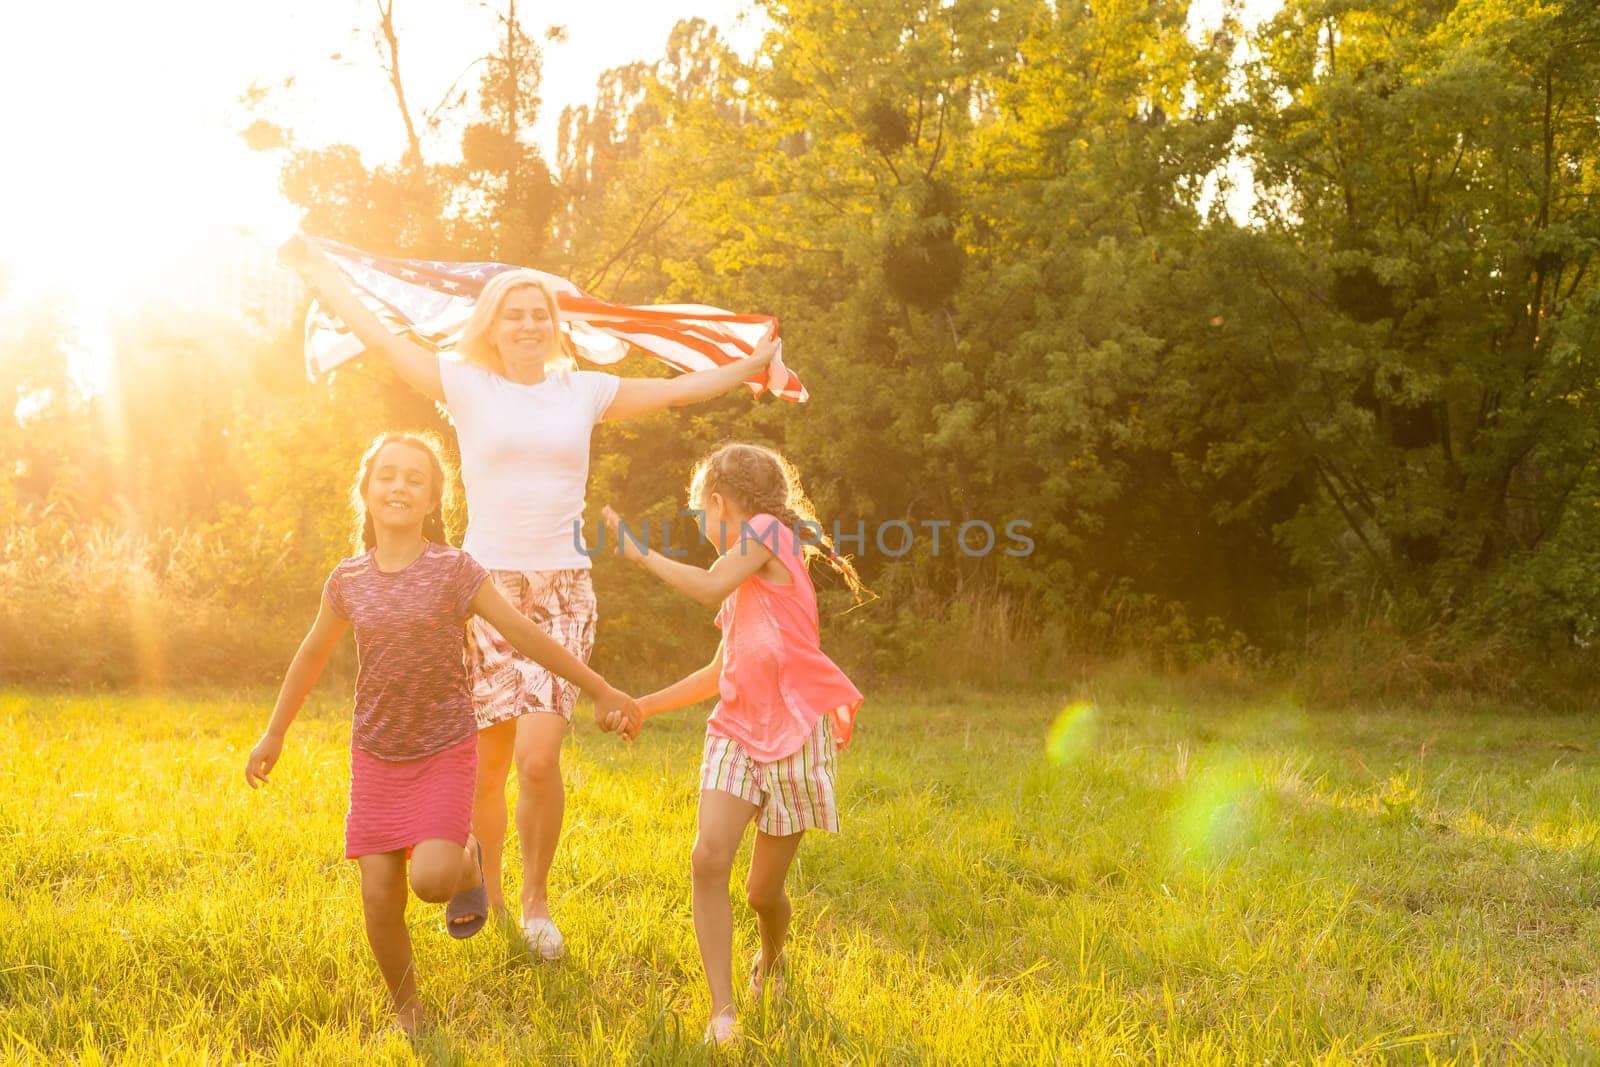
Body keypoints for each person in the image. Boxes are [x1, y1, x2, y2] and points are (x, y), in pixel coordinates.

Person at [282, 236, 777, 960]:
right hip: (482, 589)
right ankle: (491, 884)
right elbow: (386, 342)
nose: (526, 325)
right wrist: (322, 274)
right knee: (487, 760)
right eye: (512, 314)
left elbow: (676, 390)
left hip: (563, 587)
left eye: (538, 314)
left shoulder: (584, 390)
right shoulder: (464, 383)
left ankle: (539, 900)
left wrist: (751, 365)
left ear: (555, 325)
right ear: (492, 323)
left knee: (539, 758)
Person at [243, 431, 640, 1036]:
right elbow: (309, 656)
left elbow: (526, 635)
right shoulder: (347, 579)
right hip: (376, 753)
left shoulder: (454, 570)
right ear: (367, 491)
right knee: (378, 895)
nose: (399, 485)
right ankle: (410, 1012)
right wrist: (274, 734)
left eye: (414, 479)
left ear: (433, 500)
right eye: (388, 475)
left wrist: (600, 687)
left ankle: (469, 864)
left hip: (444, 750)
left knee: (429, 882)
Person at [601, 442, 864, 1046]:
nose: (703, 531)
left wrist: (640, 554)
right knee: (707, 859)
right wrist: (643, 704)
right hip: (737, 733)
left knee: (762, 893)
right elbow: (717, 673)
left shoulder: (769, 533)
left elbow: (704, 584)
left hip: (796, 735)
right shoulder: (741, 587)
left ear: (720, 503)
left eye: (700, 518)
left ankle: (772, 958)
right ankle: (723, 1013)